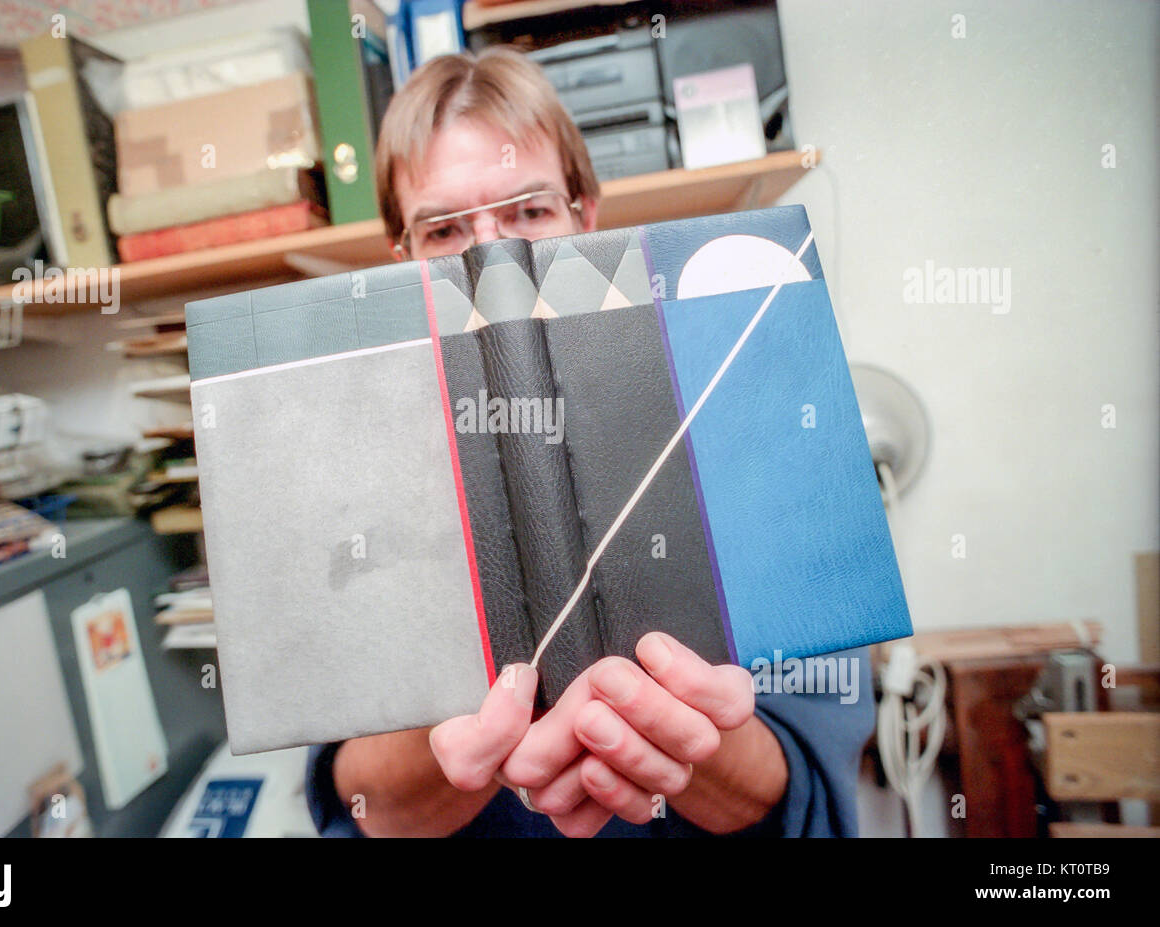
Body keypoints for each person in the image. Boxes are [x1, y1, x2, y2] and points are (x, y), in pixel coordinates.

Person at [305, 46, 873, 838]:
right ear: (400, 259)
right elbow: (355, 797)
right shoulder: (350, 471)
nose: (492, 260)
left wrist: (676, 740)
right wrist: (458, 739)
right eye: (443, 229)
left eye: (529, 212)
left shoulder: (736, 400)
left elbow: (804, 781)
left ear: (586, 214)